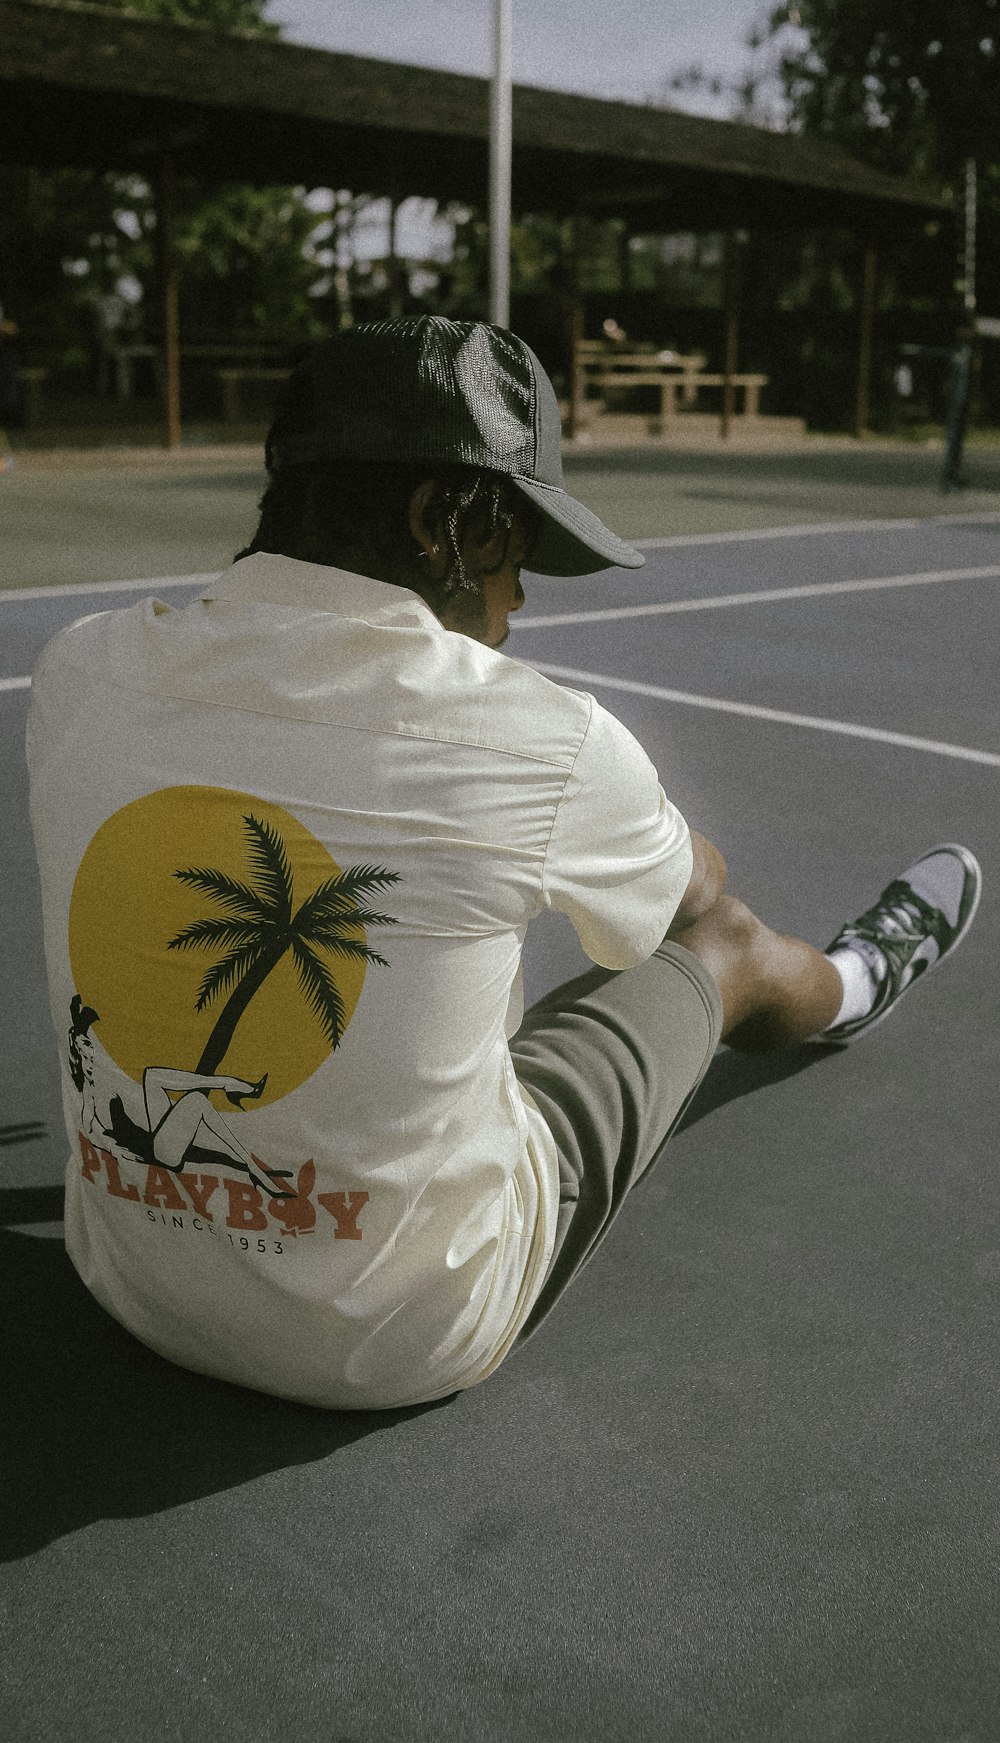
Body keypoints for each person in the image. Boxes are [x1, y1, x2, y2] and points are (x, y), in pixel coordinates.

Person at [28, 316, 982, 1411]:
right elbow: (693, 894)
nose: (518, 603)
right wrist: (645, 836)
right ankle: (859, 979)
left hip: (126, 1283)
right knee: (724, 943)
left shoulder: (80, 666)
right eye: (512, 556)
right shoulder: (540, 736)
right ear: (437, 517)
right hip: (394, 1341)